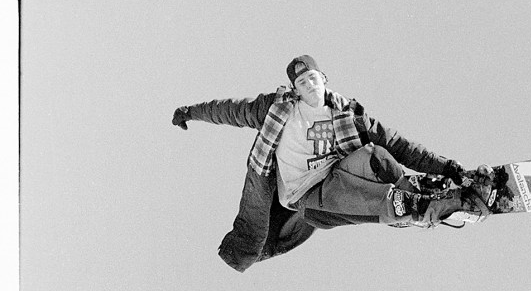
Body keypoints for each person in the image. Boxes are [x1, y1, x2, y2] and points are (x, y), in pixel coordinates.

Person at [173, 55, 494, 272]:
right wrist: (189, 111)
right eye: (302, 84)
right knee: (354, 191)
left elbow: (398, 143)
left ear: (323, 79)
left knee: (377, 156)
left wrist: (449, 168)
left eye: (313, 79)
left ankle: (422, 193)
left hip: (337, 179)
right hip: (303, 198)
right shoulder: (274, 109)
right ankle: (412, 208)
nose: (310, 87)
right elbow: (226, 110)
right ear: (295, 91)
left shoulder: (347, 114)